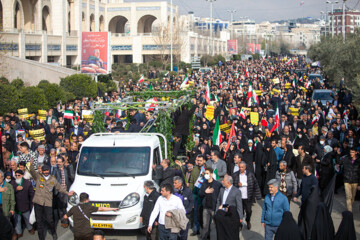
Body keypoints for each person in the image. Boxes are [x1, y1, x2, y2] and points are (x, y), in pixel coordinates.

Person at [29, 159, 74, 240]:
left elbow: (59, 188)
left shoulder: (52, 179)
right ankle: (41, 237)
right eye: (44, 170)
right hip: (38, 202)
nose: (46, 172)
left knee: (50, 220)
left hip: (48, 203)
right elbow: (31, 171)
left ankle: (53, 233)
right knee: (39, 222)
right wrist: (30, 164)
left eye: (47, 170)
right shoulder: (38, 177)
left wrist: (68, 193)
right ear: (41, 171)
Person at [232, 162, 262, 230]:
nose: (241, 168)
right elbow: (233, 185)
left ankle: (248, 221)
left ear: (245, 167)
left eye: (242, 167)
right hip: (239, 197)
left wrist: (258, 195)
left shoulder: (250, 175)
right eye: (240, 167)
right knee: (240, 212)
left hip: (248, 197)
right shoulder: (235, 175)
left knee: (249, 211)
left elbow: (255, 184)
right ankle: (240, 224)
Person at [10, 169, 35, 238]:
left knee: (27, 218)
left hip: (25, 204)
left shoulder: (27, 183)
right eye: (16, 175)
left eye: (19, 175)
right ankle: (19, 232)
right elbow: (10, 192)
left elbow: (31, 194)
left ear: (22, 175)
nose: (17, 176)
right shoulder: (12, 183)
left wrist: (33, 202)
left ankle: (30, 228)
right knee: (17, 220)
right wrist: (16, 189)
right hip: (16, 205)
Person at [198, 167, 222, 240]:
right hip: (206, 207)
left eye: (207, 173)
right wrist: (205, 192)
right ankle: (205, 237)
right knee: (205, 225)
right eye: (205, 173)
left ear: (211, 174)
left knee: (217, 225)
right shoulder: (204, 183)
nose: (206, 175)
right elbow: (200, 194)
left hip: (214, 208)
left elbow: (220, 195)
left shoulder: (217, 184)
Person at [336, 147, 360, 212]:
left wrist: (359, 184)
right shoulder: (346, 159)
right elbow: (338, 162)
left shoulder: (358, 161)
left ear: (356, 153)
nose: (351, 153)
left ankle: (350, 208)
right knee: (348, 196)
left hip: (355, 181)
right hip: (347, 180)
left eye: (353, 152)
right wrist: (338, 154)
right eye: (350, 152)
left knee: (352, 197)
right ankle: (349, 211)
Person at [54, 156, 71, 228]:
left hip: (66, 190)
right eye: (57, 162)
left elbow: (71, 178)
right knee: (60, 207)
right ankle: (63, 220)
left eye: (60, 162)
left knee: (66, 206)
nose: (58, 163)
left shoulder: (67, 169)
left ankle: (66, 220)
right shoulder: (55, 170)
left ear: (63, 162)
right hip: (59, 191)